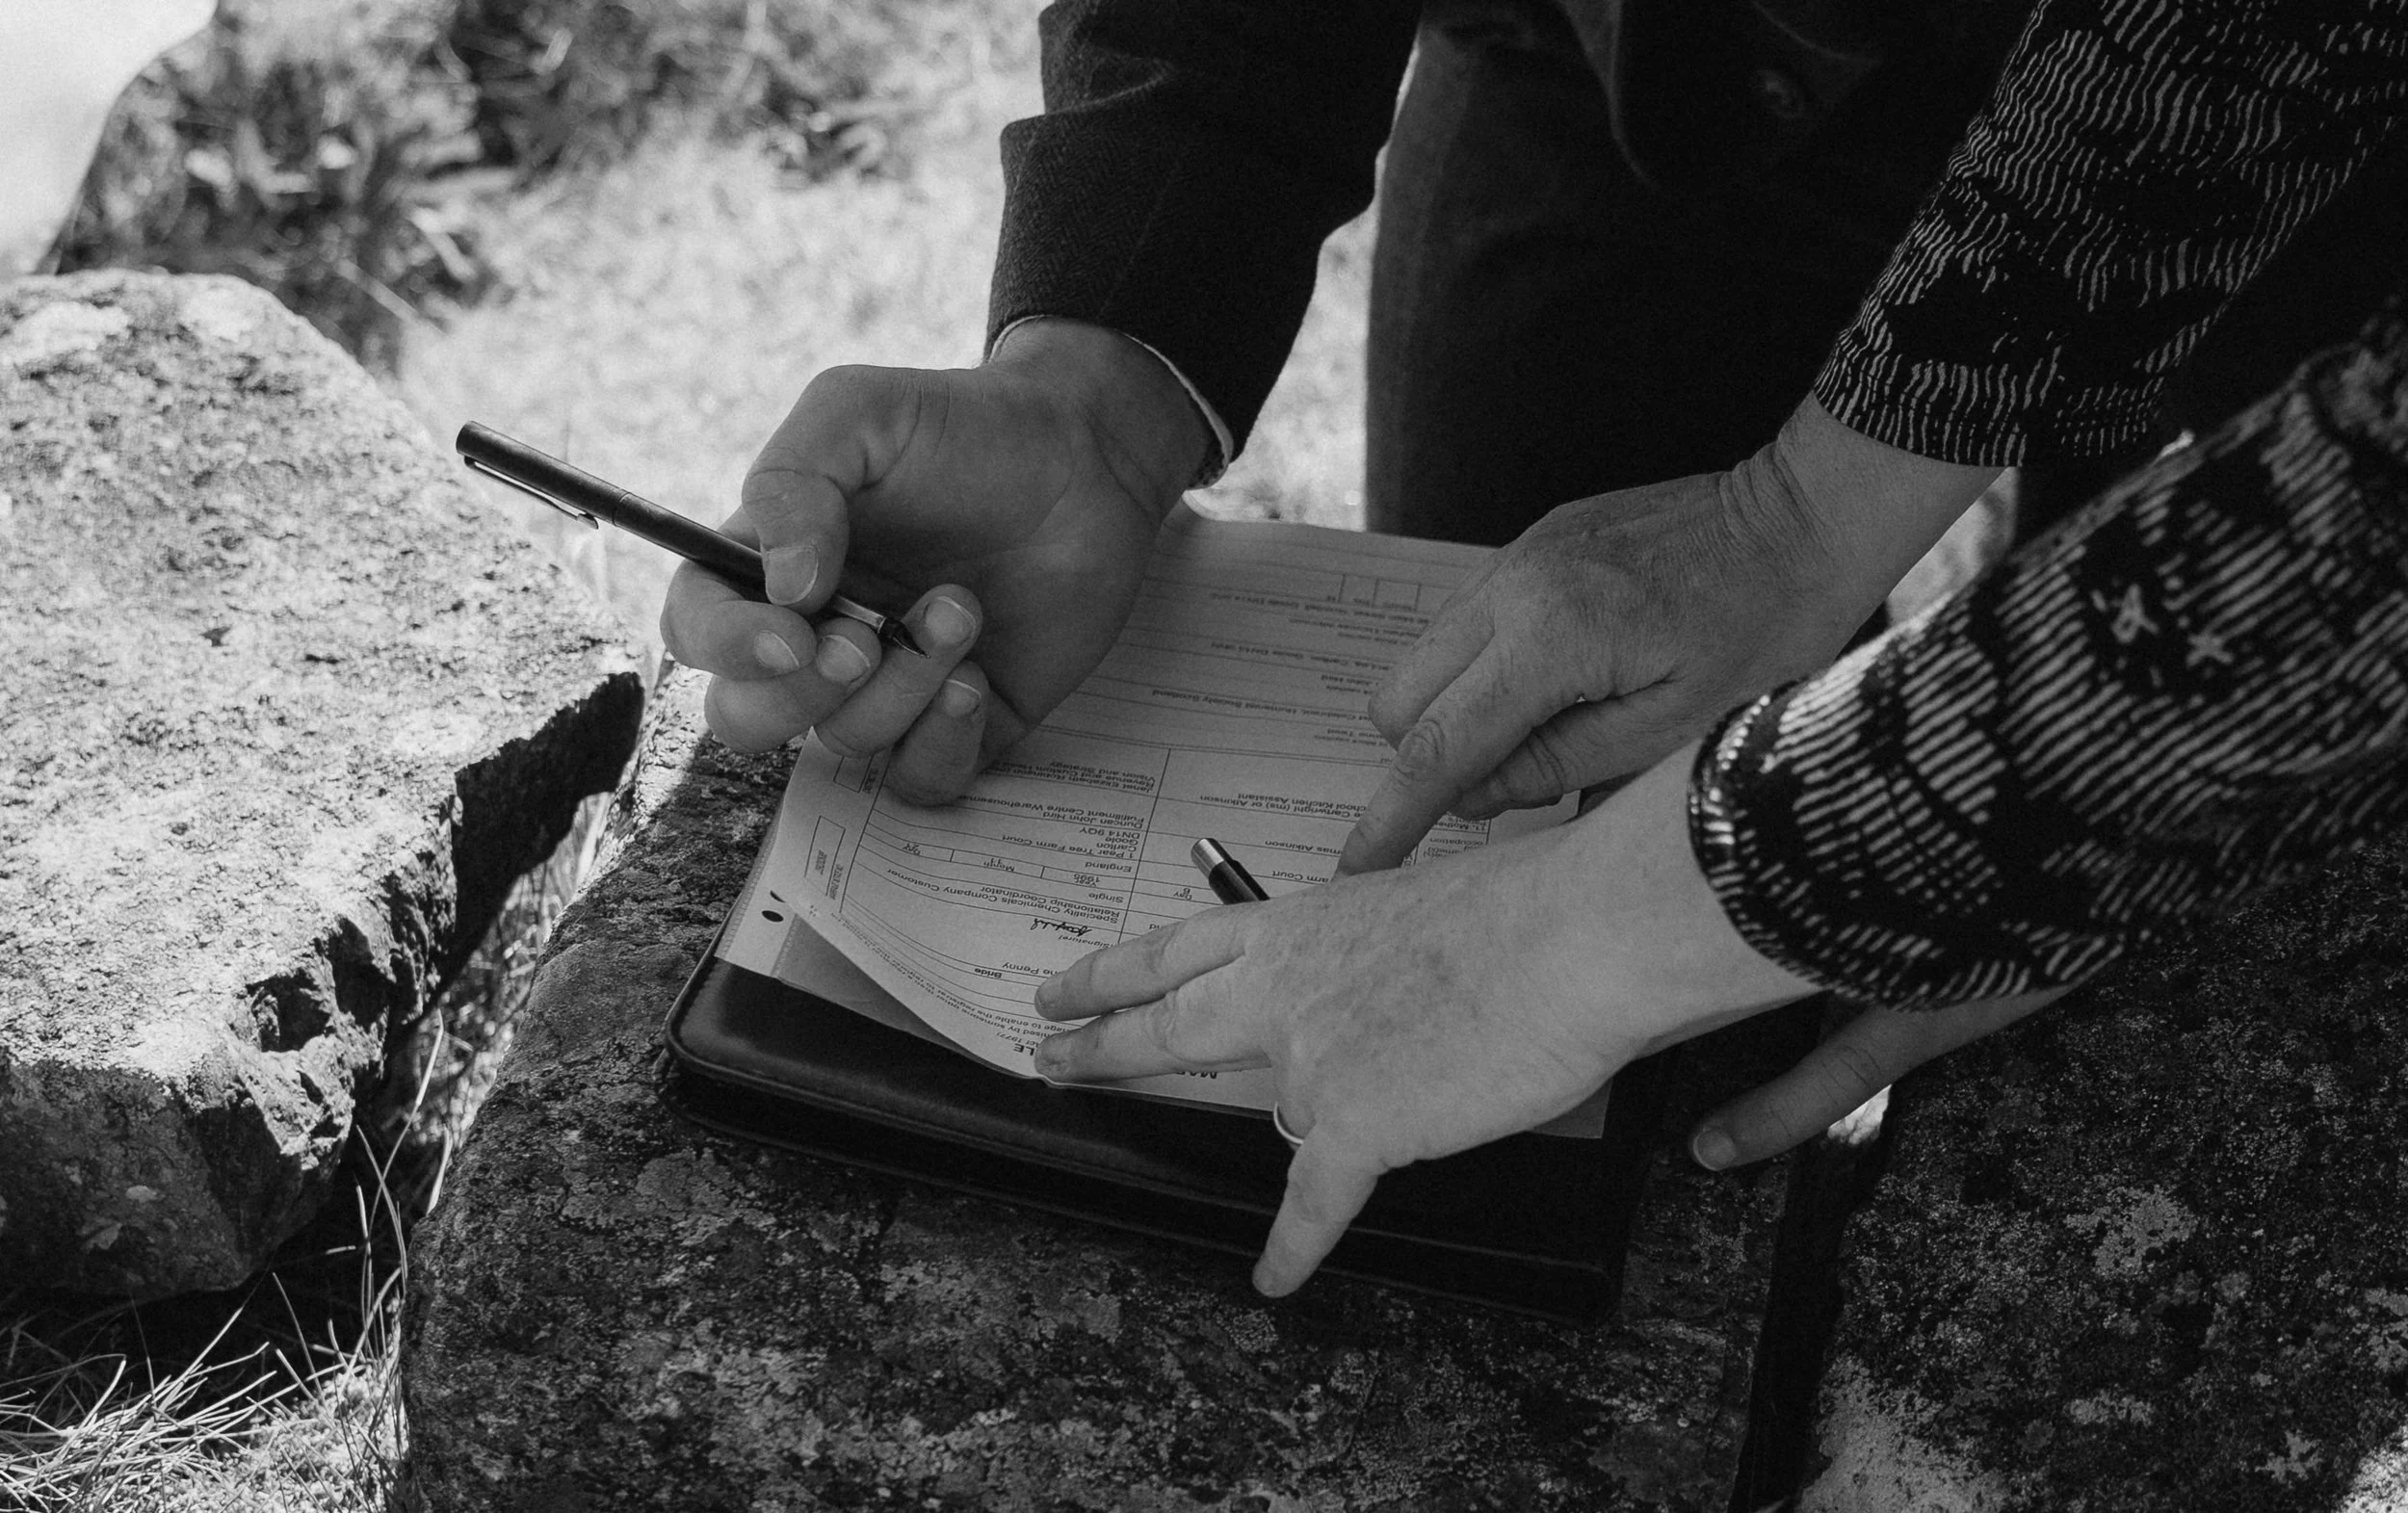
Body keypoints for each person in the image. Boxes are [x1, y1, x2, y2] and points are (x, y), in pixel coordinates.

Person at [658, 0, 2408, 1282]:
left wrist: (1630, 915)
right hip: (1644, 66)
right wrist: (1106, 367)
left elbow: (2350, 542)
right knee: (1508, 763)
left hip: (2329, 140)